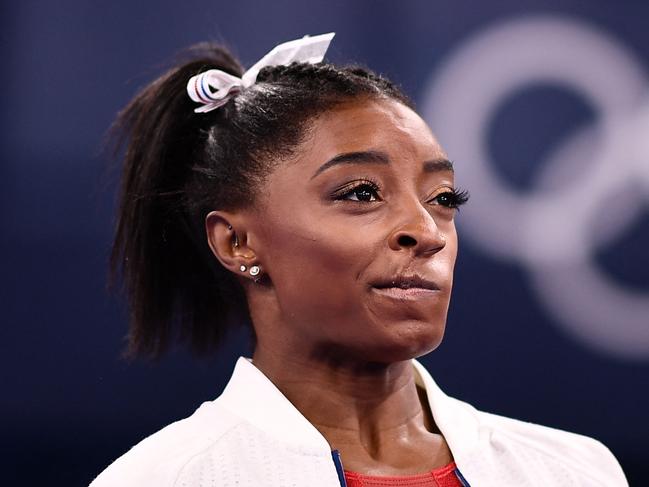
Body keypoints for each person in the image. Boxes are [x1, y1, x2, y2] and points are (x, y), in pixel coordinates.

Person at [90, 33, 627, 487]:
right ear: (238, 243)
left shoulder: (575, 472)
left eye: (443, 199)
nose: (424, 231)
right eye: (362, 192)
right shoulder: (164, 478)